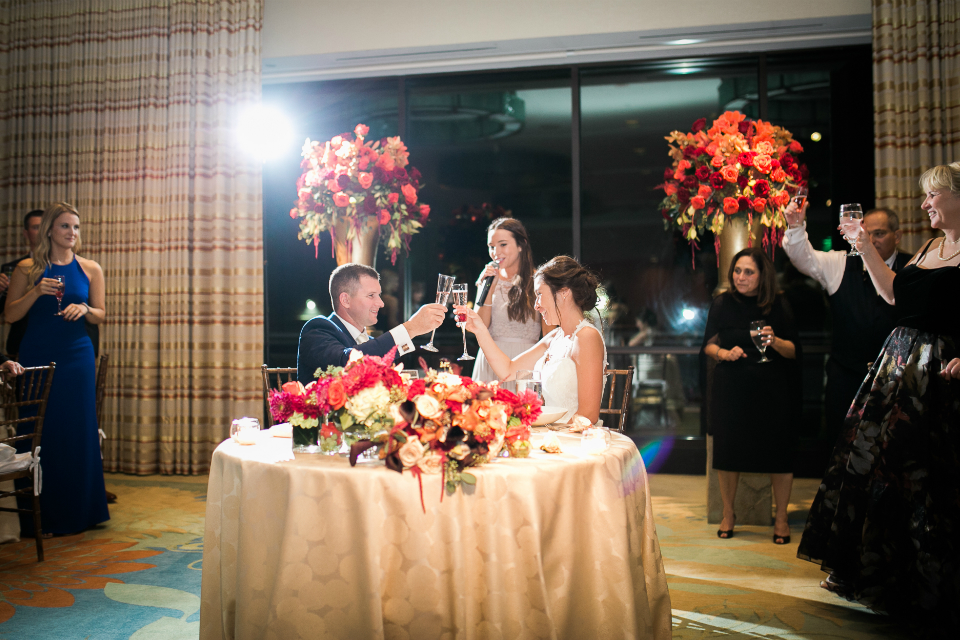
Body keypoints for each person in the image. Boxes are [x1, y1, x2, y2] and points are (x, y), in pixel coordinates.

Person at [797, 163, 960, 626]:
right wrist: (864, 247)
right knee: (878, 468)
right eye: (925, 196)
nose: (925, 204)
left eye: (933, 196)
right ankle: (883, 574)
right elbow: (892, 296)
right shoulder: (929, 248)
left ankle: (931, 585)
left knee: (932, 480)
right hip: (900, 364)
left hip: (943, 373)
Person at [4, 202, 108, 535]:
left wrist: (85, 307)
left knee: (77, 430)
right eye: (65, 226)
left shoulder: (91, 268)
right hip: (37, 353)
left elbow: (101, 313)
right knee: (41, 430)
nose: (72, 233)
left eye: (76, 227)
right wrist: (36, 291)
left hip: (77, 354)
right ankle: (40, 515)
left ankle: (81, 512)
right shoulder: (28, 268)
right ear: (50, 229)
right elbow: (11, 316)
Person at [782, 203, 911, 436]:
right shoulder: (841, 262)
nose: (870, 240)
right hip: (846, 378)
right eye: (866, 233)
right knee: (840, 444)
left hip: (897, 379)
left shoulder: (913, 268)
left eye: (879, 233)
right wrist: (795, 225)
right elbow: (802, 257)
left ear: (898, 236)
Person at [701, 247, 801, 544]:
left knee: (778, 455)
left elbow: (794, 350)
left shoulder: (778, 303)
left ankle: (781, 517)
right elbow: (707, 345)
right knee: (728, 453)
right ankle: (728, 513)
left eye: (748, 272)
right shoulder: (722, 303)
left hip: (772, 389)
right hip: (732, 388)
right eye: (737, 270)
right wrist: (723, 352)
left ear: (762, 275)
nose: (740, 277)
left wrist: (776, 340)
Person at [457, 256, 606, 425]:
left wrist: (548, 436)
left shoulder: (586, 337)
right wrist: (479, 329)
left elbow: (588, 415)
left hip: (575, 438)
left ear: (564, 292)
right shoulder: (554, 338)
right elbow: (507, 370)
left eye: (539, 295)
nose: (536, 305)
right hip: (551, 433)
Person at [297, 263, 445, 382]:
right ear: (345, 300)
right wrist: (410, 328)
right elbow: (347, 362)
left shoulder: (372, 344)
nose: (381, 303)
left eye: (379, 295)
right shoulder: (318, 330)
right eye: (371, 295)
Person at [471, 218, 546, 382]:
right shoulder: (487, 280)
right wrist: (488, 290)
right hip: (490, 363)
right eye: (491, 247)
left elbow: (549, 335)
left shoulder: (539, 281)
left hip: (527, 365)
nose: (495, 252)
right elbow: (479, 327)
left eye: (502, 244)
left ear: (521, 245)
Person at [0, 210, 43, 355]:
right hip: (21, 342)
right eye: (36, 227)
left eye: (45, 226)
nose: (41, 232)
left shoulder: (68, 267)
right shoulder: (11, 268)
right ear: (26, 233)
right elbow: (5, 311)